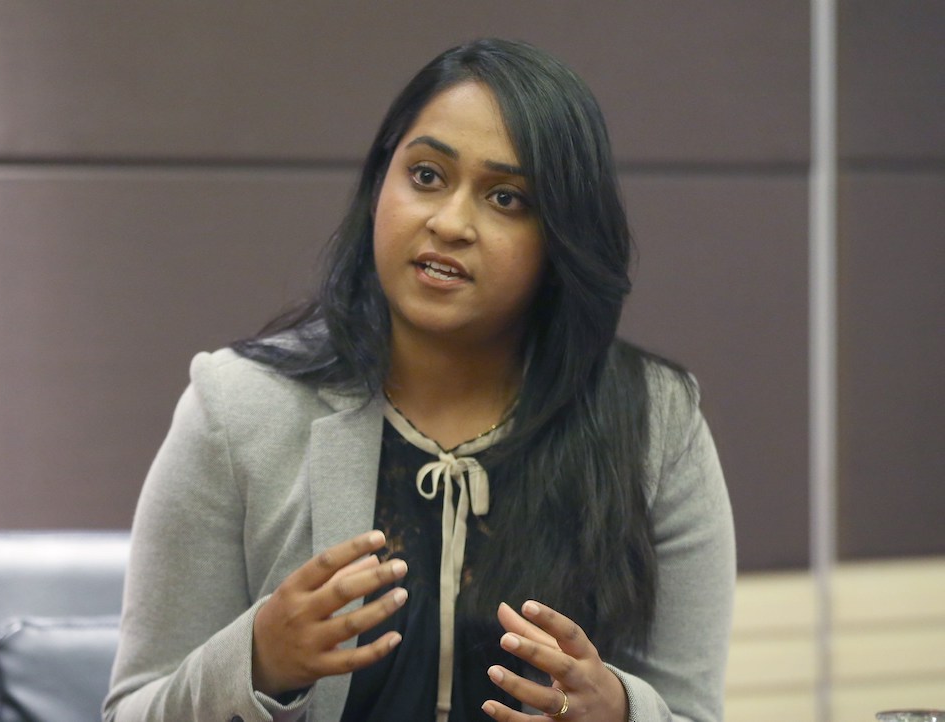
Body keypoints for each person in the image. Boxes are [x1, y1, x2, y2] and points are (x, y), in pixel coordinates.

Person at [103, 37, 735, 722]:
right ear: (381, 182)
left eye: (506, 197)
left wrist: (622, 712)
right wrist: (256, 662)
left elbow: (691, 712)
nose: (450, 222)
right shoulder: (238, 407)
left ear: (562, 237)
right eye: (427, 176)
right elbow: (132, 710)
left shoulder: (655, 423)